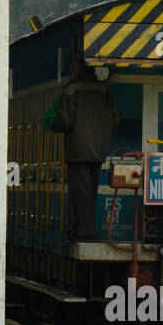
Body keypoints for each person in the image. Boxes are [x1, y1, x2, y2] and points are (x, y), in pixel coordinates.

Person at [51, 61, 119, 242]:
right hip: (98, 151)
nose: (70, 72)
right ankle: (82, 228)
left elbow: (65, 120)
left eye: (73, 69)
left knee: (80, 193)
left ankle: (85, 232)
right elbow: (115, 120)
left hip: (78, 149)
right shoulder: (105, 91)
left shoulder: (72, 90)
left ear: (80, 70)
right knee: (90, 191)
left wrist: (52, 124)